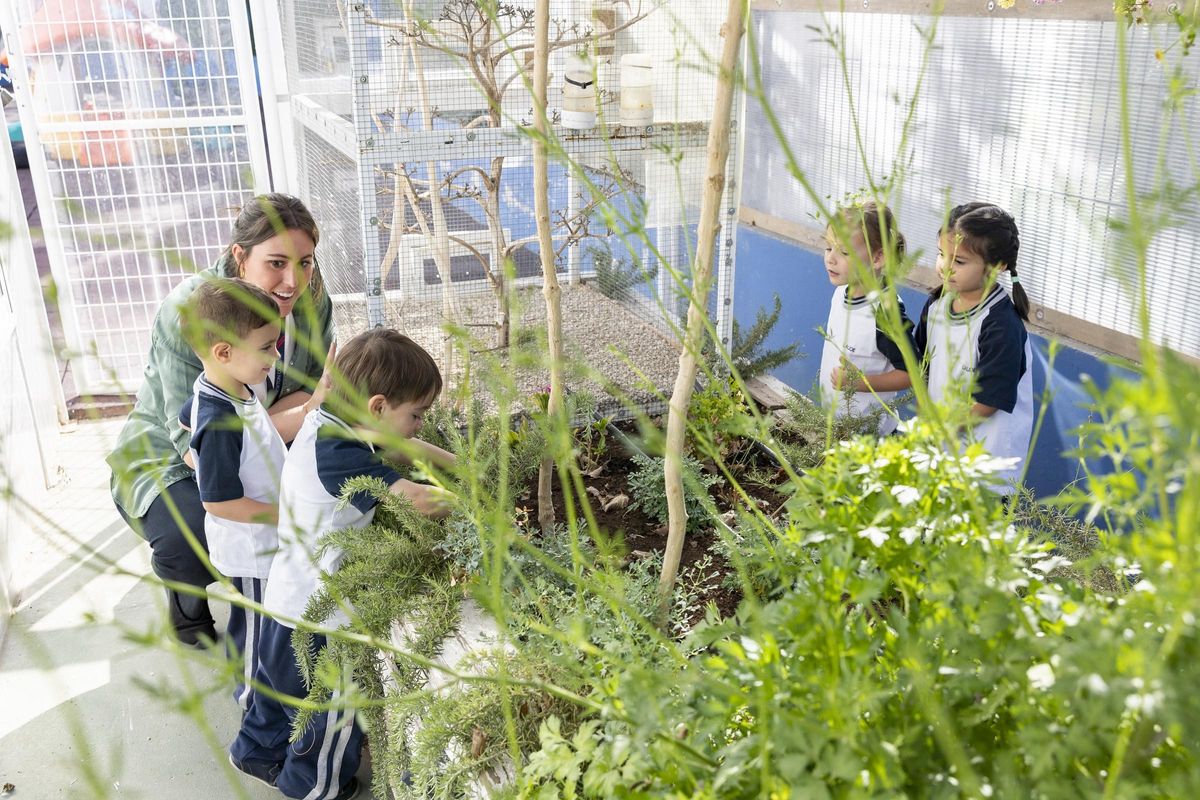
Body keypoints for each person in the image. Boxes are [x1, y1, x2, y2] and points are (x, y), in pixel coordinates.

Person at [230, 329, 454, 800]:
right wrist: (475, 500)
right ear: (376, 407)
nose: (419, 425)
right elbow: (417, 500)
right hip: (323, 624)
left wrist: (454, 459)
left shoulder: (328, 427)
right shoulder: (343, 458)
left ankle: (254, 751)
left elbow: (397, 448)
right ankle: (315, 788)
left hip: (285, 604)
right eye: (416, 415)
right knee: (329, 718)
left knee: (278, 696)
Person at [107, 193, 334, 646]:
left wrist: (272, 423)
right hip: (176, 452)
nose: (294, 281)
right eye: (276, 263)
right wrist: (288, 419)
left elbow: (316, 386)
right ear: (239, 256)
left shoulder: (312, 297)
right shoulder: (189, 311)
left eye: (305, 262)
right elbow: (192, 444)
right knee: (192, 532)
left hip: (258, 432)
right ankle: (186, 604)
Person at [179, 278, 286, 706]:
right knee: (255, 637)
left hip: (264, 539)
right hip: (251, 550)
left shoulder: (226, 384)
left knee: (266, 630)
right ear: (224, 352)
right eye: (266, 347)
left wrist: (197, 453)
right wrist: (287, 514)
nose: (275, 355)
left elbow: (188, 416)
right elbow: (218, 500)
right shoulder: (221, 416)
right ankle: (254, 726)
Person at [915, 202, 1034, 494]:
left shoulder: (1001, 325)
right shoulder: (938, 304)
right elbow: (921, 368)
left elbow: (988, 402)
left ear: (997, 267)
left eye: (959, 261)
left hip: (986, 465)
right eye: (942, 254)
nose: (944, 267)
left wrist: (938, 429)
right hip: (941, 449)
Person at [818, 200, 915, 434]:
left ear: (876, 258)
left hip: (869, 438)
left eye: (843, 251)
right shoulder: (841, 292)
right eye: (828, 247)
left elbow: (911, 374)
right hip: (837, 428)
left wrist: (858, 384)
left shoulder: (885, 312)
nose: (831, 258)